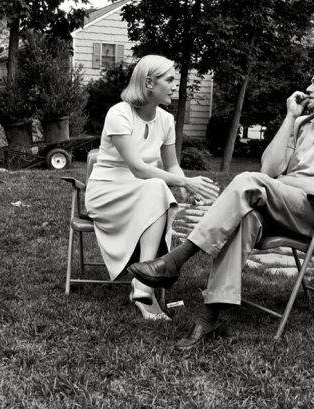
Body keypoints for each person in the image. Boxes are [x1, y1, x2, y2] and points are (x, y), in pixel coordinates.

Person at [128, 57, 314, 346]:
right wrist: (290, 118)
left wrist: (278, 182)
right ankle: (208, 320)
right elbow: (269, 169)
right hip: (284, 208)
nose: (308, 88)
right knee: (246, 216)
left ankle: (176, 260)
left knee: (249, 181)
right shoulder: (304, 124)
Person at [85, 55, 220, 320]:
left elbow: (172, 166)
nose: (174, 85)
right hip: (108, 191)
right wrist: (184, 181)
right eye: (169, 79)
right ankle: (145, 282)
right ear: (149, 83)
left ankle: (143, 283)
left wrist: (184, 186)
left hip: (143, 192)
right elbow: (137, 168)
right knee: (157, 187)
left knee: (157, 188)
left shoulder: (166, 120)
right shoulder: (119, 114)